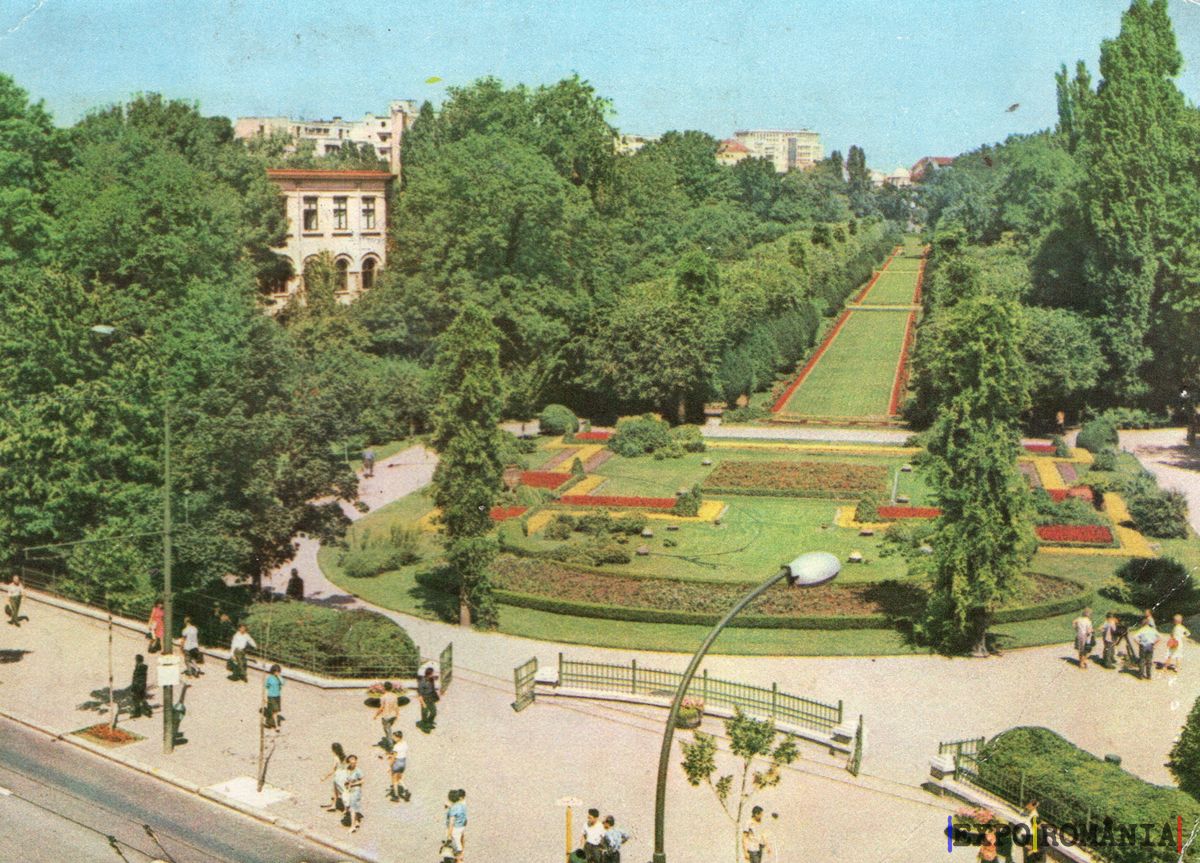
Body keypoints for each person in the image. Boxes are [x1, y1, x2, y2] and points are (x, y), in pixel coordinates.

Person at [320, 742, 348, 812]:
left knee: (340, 792)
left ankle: (346, 808)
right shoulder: (345, 757)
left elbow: (333, 769)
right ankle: (333, 805)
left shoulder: (336, 758)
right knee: (337, 791)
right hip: (345, 775)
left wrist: (325, 777)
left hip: (338, 776)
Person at [385, 730, 410, 802]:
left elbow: (394, 757)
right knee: (399, 778)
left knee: (394, 780)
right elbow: (402, 752)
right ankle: (406, 790)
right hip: (403, 762)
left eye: (394, 737)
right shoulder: (405, 743)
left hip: (397, 763)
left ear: (398, 737)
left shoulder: (396, 747)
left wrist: (390, 766)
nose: (393, 738)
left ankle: (396, 796)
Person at [374, 680, 401, 745]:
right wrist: (397, 714)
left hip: (386, 716)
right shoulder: (394, 696)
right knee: (388, 728)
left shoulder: (383, 697)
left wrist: (376, 715)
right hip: (393, 715)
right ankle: (391, 739)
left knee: (387, 730)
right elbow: (396, 706)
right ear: (391, 688)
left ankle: (390, 745)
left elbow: (381, 708)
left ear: (384, 688)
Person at [445, 789, 468, 862]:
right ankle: (461, 854)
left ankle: (459, 859)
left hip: (456, 828)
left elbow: (451, 823)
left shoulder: (453, 809)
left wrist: (449, 835)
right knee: (460, 839)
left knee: (456, 845)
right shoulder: (462, 805)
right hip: (461, 826)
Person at [343, 754, 363, 833]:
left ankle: (352, 826)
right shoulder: (348, 770)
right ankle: (356, 822)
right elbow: (347, 779)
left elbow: (362, 781)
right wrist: (346, 783)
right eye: (351, 760)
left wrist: (353, 784)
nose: (353, 762)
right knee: (351, 806)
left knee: (352, 808)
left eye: (354, 760)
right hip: (349, 790)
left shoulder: (358, 771)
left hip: (356, 790)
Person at [417, 666, 439, 732]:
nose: (434, 674)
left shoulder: (431, 679)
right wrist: (423, 704)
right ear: (430, 674)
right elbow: (420, 695)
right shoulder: (422, 682)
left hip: (431, 698)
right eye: (433, 673)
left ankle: (429, 722)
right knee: (425, 713)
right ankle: (424, 726)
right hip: (425, 699)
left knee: (433, 712)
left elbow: (436, 678)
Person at [129, 654, 151, 718]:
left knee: (137, 699)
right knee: (141, 699)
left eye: (136, 659)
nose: (136, 661)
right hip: (139, 685)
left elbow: (139, 678)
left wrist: (136, 686)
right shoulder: (139, 666)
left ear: (138, 660)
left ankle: (139, 713)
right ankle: (147, 711)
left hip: (138, 686)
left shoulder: (141, 667)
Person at [263, 664, 284, 729]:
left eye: (278, 672)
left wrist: (279, 677)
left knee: (274, 711)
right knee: (275, 710)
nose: (277, 673)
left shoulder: (279, 678)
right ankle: (276, 726)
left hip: (277, 696)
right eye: (276, 671)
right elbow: (266, 688)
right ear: (273, 671)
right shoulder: (269, 678)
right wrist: (265, 697)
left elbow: (283, 683)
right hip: (271, 696)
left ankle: (270, 723)